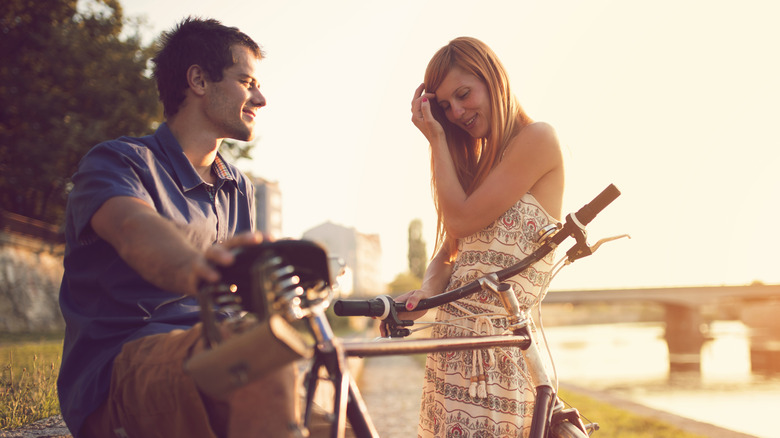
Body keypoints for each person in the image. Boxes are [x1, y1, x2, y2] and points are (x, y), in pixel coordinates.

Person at [57, 17, 301, 438]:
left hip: (215, 351)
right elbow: (135, 229)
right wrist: (205, 270)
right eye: (246, 82)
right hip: (123, 366)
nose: (260, 98)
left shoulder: (238, 186)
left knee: (331, 411)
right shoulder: (119, 161)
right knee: (259, 366)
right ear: (199, 81)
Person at [396, 36, 565, 437]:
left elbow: (459, 220)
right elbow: (452, 249)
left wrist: (436, 139)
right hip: (452, 352)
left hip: (497, 355)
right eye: (444, 106)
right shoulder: (481, 163)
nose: (455, 112)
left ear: (493, 79)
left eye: (463, 94)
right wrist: (425, 291)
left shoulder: (539, 139)